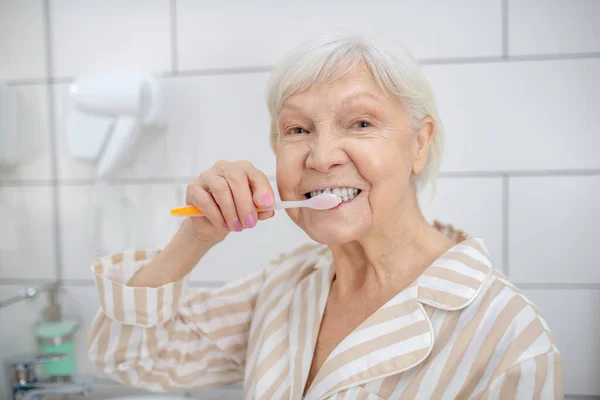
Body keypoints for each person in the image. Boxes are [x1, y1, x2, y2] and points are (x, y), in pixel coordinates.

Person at [88, 32, 563, 399]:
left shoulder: (511, 339)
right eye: (298, 129)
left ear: (419, 143)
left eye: (360, 123)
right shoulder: (286, 285)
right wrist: (194, 237)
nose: (320, 156)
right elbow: (132, 356)